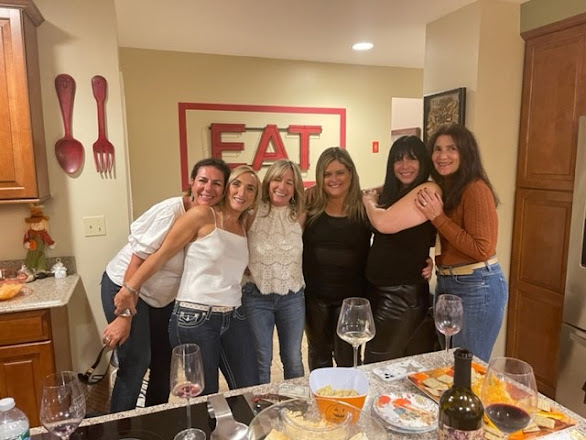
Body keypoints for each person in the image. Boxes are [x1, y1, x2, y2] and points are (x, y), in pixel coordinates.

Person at [112, 165, 261, 395]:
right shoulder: (202, 215)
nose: (242, 192)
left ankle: (236, 420)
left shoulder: (244, 224)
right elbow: (161, 255)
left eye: (250, 188)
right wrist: (129, 288)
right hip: (196, 317)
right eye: (236, 184)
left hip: (234, 315)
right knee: (206, 395)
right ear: (227, 188)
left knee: (250, 388)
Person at [100, 158, 230, 413]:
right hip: (126, 287)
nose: (208, 188)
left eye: (217, 183)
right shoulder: (171, 212)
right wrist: (124, 316)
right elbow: (137, 261)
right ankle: (119, 427)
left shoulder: (214, 218)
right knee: (136, 361)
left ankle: (154, 422)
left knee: (164, 364)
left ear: (224, 190)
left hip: (162, 299)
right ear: (191, 182)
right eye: (203, 180)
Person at [416, 124, 508, 362]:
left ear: (466, 152)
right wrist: (436, 258)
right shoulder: (447, 187)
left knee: (467, 367)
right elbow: (450, 237)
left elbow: (481, 249)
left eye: (451, 149)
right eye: (437, 149)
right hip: (448, 282)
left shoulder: (476, 188)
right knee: (449, 363)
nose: (442, 155)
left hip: (477, 286)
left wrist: (438, 217)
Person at [361, 136, 440, 363]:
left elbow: (383, 223)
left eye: (412, 159)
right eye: (398, 159)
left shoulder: (428, 189)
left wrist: (368, 201)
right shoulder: (398, 191)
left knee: (377, 361)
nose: (404, 165)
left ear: (423, 161)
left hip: (400, 295)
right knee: (388, 360)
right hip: (381, 289)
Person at [302, 147, 372, 370]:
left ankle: (349, 394)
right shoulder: (309, 208)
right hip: (315, 299)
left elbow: (389, 243)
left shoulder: (365, 208)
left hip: (352, 300)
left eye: (340, 172)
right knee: (319, 357)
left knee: (348, 359)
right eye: (327, 174)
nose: (334, 179)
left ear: (351, 173)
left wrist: (423, 261)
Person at [242, 159, 306, 384]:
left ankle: (295, 402)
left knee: (293, 359)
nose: (282, 187)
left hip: (292, 297)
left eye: (290, 182)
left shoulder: (300, 214)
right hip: (256, 297)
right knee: (261, 360)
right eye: (277, 179)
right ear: (268, 182)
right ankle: (261, 403)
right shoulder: (252, 212)